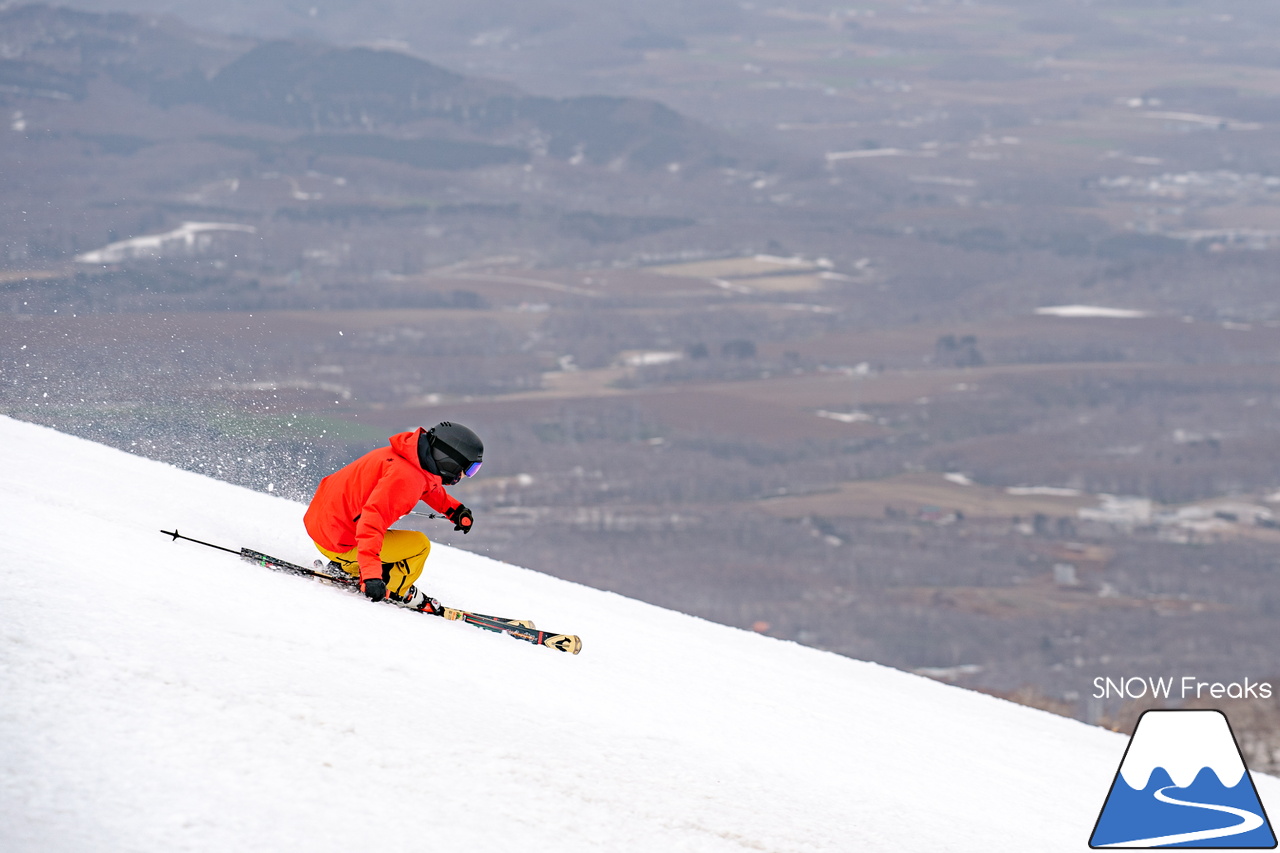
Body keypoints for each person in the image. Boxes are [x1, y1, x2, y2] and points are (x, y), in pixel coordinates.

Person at [303, 421, 483, 610]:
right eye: (469, 469)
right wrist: (372, 576)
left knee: (393, 540)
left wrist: (453, 509)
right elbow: (371, 524)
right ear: (450, 460)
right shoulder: (405, 479)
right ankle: (395, 589)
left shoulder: (407, 458)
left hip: (324, 526)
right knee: (419, 546)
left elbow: (426, 485)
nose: (465, 476)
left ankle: (347, 567)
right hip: (338, 541)